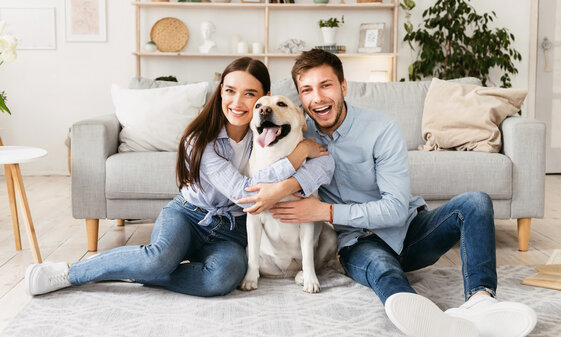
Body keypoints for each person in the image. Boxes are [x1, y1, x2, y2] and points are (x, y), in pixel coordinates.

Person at [267, 49, 537, 337]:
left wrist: (325, 211)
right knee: (384, 270)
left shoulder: (380, 128)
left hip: (409, 229)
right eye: (307, 90)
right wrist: (298, 156)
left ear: (344, 86)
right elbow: (265, 163)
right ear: (300, 98)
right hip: (358, 242)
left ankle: (481, 301)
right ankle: (430, 320)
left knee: (475, 203)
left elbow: (395, 208)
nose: (317, 98)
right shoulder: (297, 132)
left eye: (325, 85)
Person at [25, 57, 334, 298]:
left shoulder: (269, 133)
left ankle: (136, 270)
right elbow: (247, 192)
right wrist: (297, 158)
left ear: (263, 100)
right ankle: (73, 272)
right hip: (189, 216)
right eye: (230, 91)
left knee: (223, 278)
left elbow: (322, 166)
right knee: (156, 260)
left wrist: (304, 151)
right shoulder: (199, 141)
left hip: (231, 228)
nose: (238, 103)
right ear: (220, 93)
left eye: (249, 94)